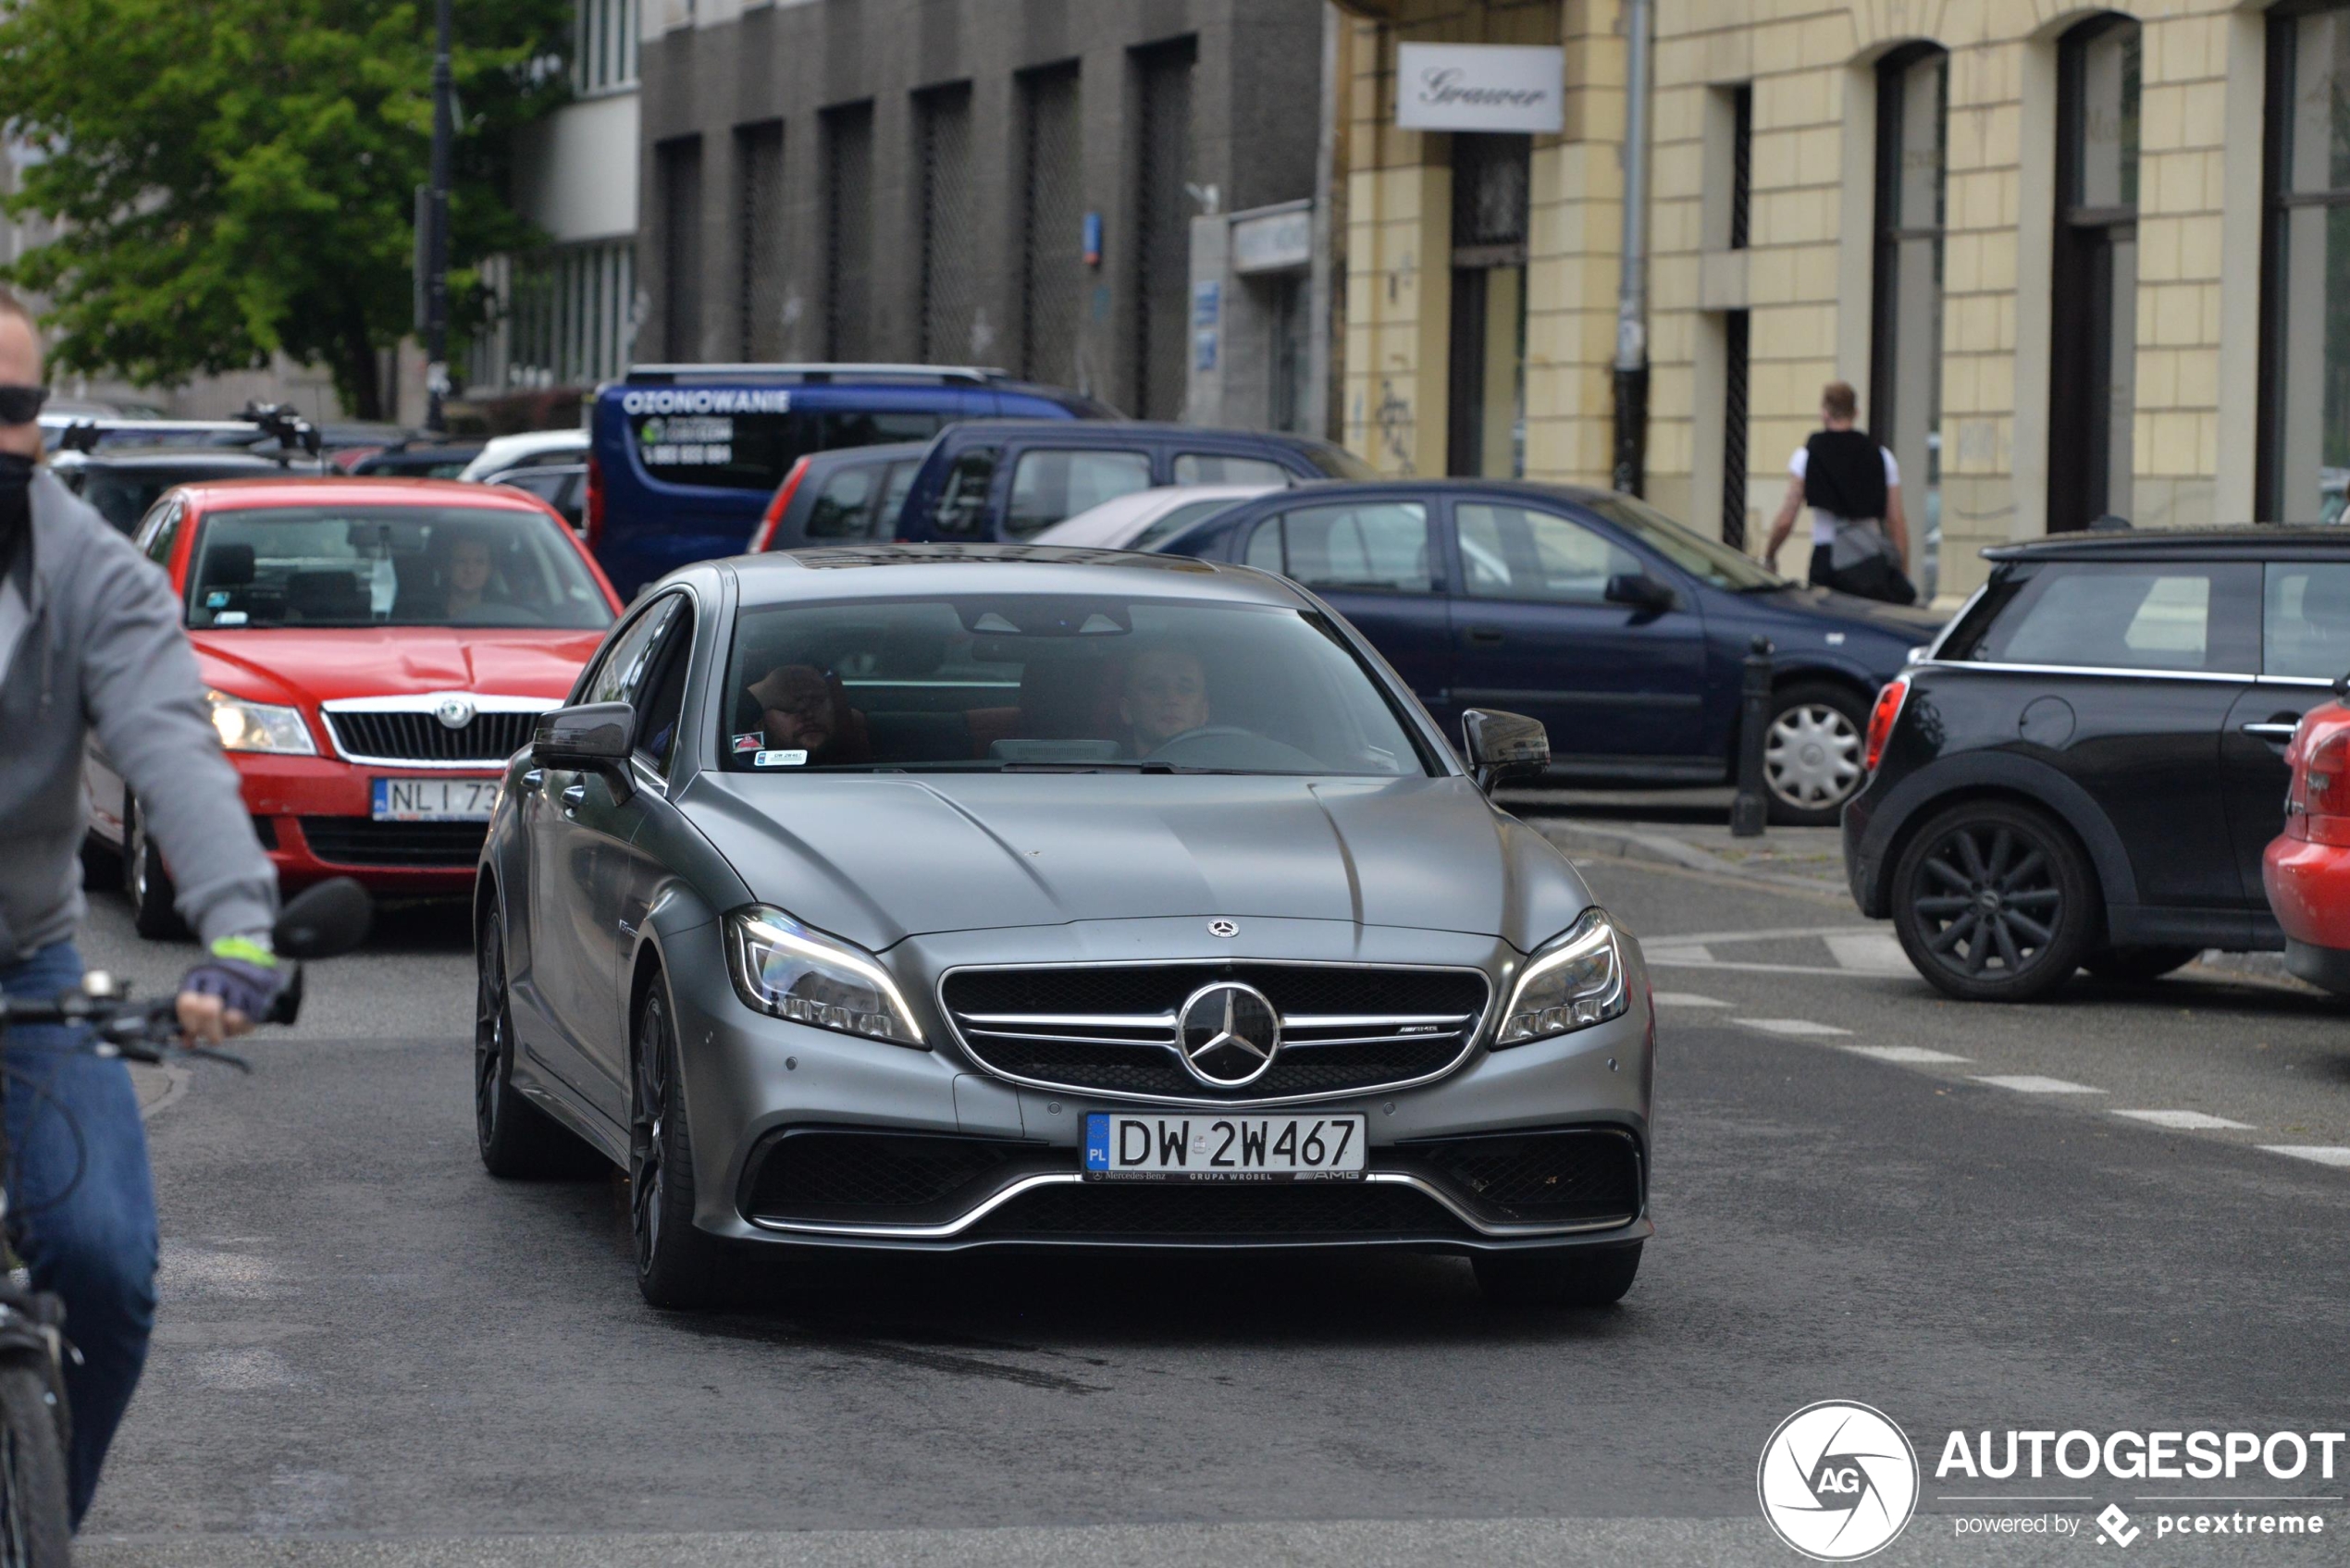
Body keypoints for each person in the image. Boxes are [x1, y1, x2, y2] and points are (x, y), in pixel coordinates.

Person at [0, 288, 282, 1526]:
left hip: (33, 972)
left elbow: (172, 744)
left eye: (12, 409)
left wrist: (234, 934)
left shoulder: (91, 571)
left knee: (108, 1262)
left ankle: (44, 1513)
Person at [1762, 380, 1915, 604]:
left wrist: (1770, 555)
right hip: (1869, 557)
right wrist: (1901, 572)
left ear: (1824, 413)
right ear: (1856, 413)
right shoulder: (1882, 456)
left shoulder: (1806, 456)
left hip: (1826, 557)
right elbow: (1896, 522)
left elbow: (1786, 518)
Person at [745, 663, 871, 764]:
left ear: (835, 709)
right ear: (761, 723)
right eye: (789, 705)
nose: (808, 713)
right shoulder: (739, 763)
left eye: (817, 700)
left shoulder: (876, 759)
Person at [1119, 644, 1211, 754]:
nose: (1171, 699)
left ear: (1204, 712)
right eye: (1154, 688)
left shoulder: (1228, 767)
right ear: (1127, 710)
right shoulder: (1104, 769)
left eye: (1185, 689)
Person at [441, 532, 498, 620]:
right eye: (462, 561)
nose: (470, 570)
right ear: (448, 567)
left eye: (479, 562)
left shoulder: (504, 615)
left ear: (490, 570)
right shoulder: (424, 615)